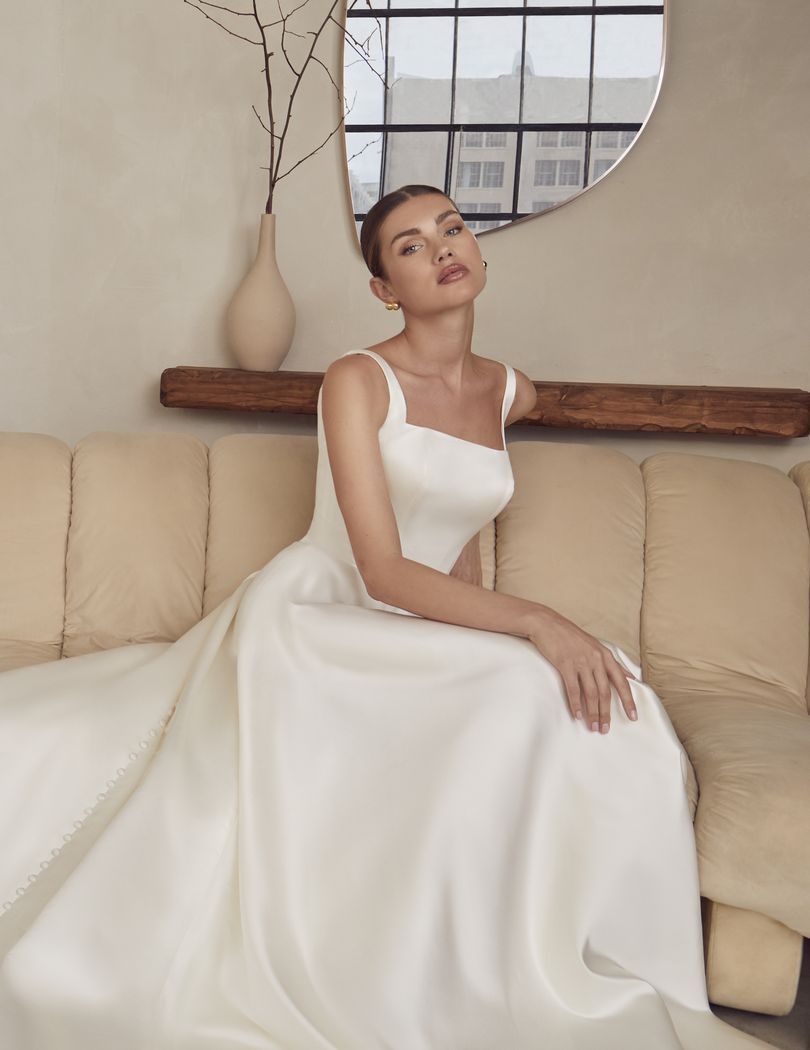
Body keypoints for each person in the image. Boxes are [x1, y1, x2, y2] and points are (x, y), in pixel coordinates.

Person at [0, 184, 771, 1049]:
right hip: (323, 617)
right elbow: (384, 567)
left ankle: (580, 950)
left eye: (452, 228)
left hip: (421, 624)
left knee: (604, 692)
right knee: (536, 671)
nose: (442, 248)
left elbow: (463, 533)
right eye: (408, 246)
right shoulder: (357, 380)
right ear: (383, 289)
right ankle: (467, 966)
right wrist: (538, 621)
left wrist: (505, 630)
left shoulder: (509, 390)